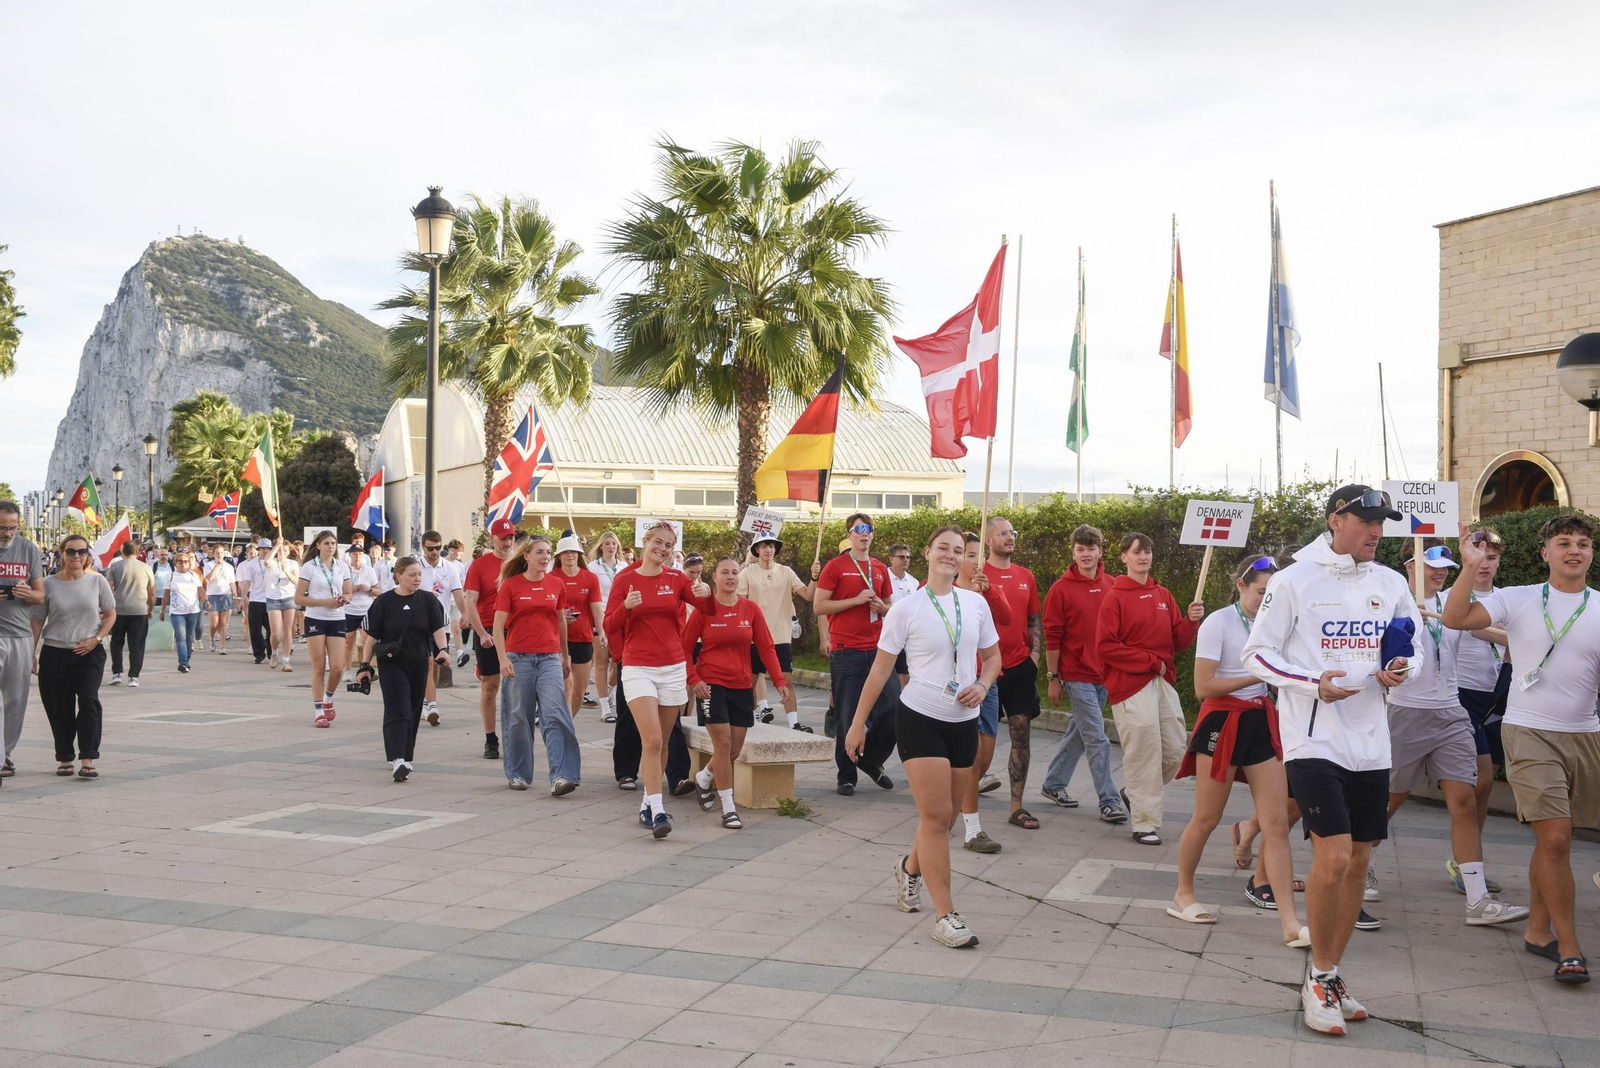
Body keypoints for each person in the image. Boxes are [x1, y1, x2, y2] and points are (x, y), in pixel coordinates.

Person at [1241, 485, 1419, 1035]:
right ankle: (1317, 978)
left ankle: (1330, 974)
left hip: (1372, 741)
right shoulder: (1294, 579)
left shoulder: (1391, 582)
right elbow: (1257, 654)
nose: (1377, 532)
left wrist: (1400, 668)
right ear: (1335, 520)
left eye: (1382, 522)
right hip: (1313, 738)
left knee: (1360, 863)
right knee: (1335, 857)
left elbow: (1412, 647)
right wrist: (1311, 682)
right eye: (1367, 521)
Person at [1443, 516, 1600, 985]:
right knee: (1556, 839)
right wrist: (1468, 567)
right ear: (1545, 553)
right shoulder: (1519, 598)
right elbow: (1455, 618)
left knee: (1554, 841)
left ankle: (1536, 929)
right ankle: (1569, 946)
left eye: (1583, 543)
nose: (1575, 550)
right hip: (1528, 731)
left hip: (1586, 735)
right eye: (1564, 543)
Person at [848, 526, 1000, 948]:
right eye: (943, 548)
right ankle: (946, 915)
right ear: (928, 553)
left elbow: (992, 657)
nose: (951, 555)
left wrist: (983, 685)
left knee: (947, 819)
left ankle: (909, 868)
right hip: (919, 718)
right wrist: (858, 723)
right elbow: (880, 670)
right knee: (934, 819)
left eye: (959, 550)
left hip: (964, 720)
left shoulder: (976, 604)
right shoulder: (906, 608)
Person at [1379, 541, 1528, 926]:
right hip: (1406, 712)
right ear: (1411, 565)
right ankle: (1360, 863)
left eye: (1446, 565)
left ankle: (1477, 899)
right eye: (1432, 565)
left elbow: (1488, 631)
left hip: (1451, 712)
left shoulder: (1452, 603)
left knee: (1464, 800)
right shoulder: (1390, 601)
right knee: (1391, 799)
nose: (1441, 571)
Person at [1166, 553, 1309, 947]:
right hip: (1222, 721)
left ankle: (1290, 922)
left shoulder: (1278, 623)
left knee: (1276, 822)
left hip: (1261, 720)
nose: (1267, 600)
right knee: (1207, 818)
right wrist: (1257, 673)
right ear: (1241, 585)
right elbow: (1203, 687)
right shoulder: (1219, 622)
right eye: (1261, 592)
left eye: (1272, 594)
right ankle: (1183, 893)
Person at [603, 522, 712, 838]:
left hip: (673, 668)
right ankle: (659, 810)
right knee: (651, 740)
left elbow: (708, 610)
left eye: (669, 545)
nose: (662, 549)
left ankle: (647, 803)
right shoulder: (625, 579)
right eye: (658, 542)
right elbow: (609, 625)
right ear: (645, 541)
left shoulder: (676, 578)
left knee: (662, 741)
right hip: (638, 668)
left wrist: (707, 595)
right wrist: (626, 607)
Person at [1096, 532, 1205, 845]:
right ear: (1123, 557)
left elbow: (1178, 642)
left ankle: (1134, 794)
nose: (1143, 557)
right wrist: (1149, 661)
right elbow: (1105, 646)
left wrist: (1190, 621)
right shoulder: (1114, 597)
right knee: (1144, 753)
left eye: (1147, 551)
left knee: (1175, 751)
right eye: (1136, 552)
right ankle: (1144, 824)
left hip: (1161, 681)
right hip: (1129, 686)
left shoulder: (1162, 594)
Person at [685, 556, 790, 828]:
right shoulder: (704, 610)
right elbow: (684, 648)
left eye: (734, 572)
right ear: (715, 578)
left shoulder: (750, 609)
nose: (730, 577)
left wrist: (779, 680)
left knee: (733, 750)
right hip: (710, 685)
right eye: (724, 573)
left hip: (742, 685)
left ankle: (704, 777)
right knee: (722, 745)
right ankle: (728, 808)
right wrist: (694, 679)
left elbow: (766, 647)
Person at [1040, 524, 1127, 823]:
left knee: (1079, 733)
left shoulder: (1113, 585)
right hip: (1075, 675)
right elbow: (1052, 636)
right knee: (1097, 737)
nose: (1085, 554)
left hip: (1105, 674)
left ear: (1100, 552)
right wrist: (1053, 678)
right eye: (1080, 549)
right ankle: (1109, 800)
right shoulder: (1060, 589)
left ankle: (1053, 784)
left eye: (1091, 549)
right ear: (1073, 552)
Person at [815, 512, 900, 796]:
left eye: (869, 529)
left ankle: (871, 759)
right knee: (847, 714)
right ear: (849, 534)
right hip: (846, 650)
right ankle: (846, 775)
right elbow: (819, 606)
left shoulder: (880, 568)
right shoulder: (835, 566)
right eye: (859, 529)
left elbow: (890, 607)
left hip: (878, 650)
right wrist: (855, 600)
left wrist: (882, 608)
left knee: (893, 706)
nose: (864, 533)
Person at [494, 535, 578, 795]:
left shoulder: (557, 584)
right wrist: (503, 658)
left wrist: (565, 656)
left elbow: (561, 621)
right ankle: (518, 773)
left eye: (548, 552)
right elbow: (498, 626)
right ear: (526, 556)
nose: (545, 557)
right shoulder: (510, 586)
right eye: (539, 552)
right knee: (519, 717)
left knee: (554, 714)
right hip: (518, 659)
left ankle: (561, 776)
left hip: (549, 658)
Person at [355, 556, 449, 781]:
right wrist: (365, 666)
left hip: (419, 662)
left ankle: (406, 757)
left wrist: (443, 650)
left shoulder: (428, 600)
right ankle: (396, 758)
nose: (417, 578)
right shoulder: (384, 601)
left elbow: (438, 628)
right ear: (398, 576)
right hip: (391, 663)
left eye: (419, 574)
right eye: (412, 575)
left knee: (414, 710)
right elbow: (372, 637)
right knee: (398, 708)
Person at [36, 534, 116, 780]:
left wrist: (97, 639)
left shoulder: (97, 581)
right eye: (71, 551)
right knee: (59, 706)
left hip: (89, 652)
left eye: (82, 551)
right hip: (55, 652)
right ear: (62, 553)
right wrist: (31, 652)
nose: (77, 556)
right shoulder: (48, 584)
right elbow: (38, 620)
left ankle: (88, 758)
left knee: (89, 700)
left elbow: (111, 614)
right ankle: (65, 757)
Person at [982, 518, 1045, 828]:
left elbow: (1034, 618)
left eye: (1012, 533)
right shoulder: (977, 574)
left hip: (1020, 667)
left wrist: (1035, 656)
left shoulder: (1025, 576)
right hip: (985, 670)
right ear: (988, 540)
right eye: (1003, 533)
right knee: (979, 742)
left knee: (1021, 737)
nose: (1010, 537)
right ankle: (963, 799)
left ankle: (1016, 807)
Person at [1452, 526, 1511, 849]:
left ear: (1499, 560)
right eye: (1479, 557)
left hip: (1498, 697)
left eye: (1492, 557)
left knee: (1485, 787)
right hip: (1463, 695)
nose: (1485, 564)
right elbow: (1475, 629)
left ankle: (1468, 856)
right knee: (1482, 778)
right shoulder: (1455, 597)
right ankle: (1468, 857)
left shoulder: (1507, 598)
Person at [955, 531, 1011, 853]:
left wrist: (989, 593)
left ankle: (953, 802)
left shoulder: (983, 595)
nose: (975, 562)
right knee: (972, 757)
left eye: (979, 556)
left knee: (984, 758)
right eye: (968, 555)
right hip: (954, 685)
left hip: (986, 682)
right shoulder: (938, 592)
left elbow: (1008, 619)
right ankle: (972, 829)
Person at [735, 534, 819, 732]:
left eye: (772, 546)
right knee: (750, 682)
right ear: (757, 550)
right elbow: (738, 603)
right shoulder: (747, 573)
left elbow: (808, 595)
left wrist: (814, 577)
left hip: (781, 636)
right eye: (764, 546)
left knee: (786, 680)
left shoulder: (786, 571)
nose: (768, 550)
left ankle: (794, 724)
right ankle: (749, 722)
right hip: (754, 638)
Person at [464, 519, 518, 760]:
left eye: (511, 537)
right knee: (490, 687)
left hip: (516, 630)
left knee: (517, 688)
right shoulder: (479, 565)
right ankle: (490, 738)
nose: (508, 542)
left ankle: (514, 737)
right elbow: (470, 602)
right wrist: (481, 633)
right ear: (492, 538)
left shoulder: (521, 563)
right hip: (488, 629)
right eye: (503, 538)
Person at [0, 501, 43, 777]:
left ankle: (6, 754)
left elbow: (41, 595)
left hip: (19, 634)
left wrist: (28, 593)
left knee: (15, 700)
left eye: (13, 527)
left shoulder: (28, 548)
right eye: (3, 528)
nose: (8, 533)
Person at [294, 531, 353, 727]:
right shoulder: (309, 567)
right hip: (315, 618)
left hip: (337, 618)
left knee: (337, 667)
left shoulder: (342, 566)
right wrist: (324, 602)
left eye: (333, 543)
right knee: (319, 666)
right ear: (318, 545)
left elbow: (349, 593)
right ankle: (319, 710)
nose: (330, 546)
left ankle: (328, 697)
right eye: (326, 543)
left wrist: (343, 599)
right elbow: (299, 598)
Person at [555, 533, 604, 730]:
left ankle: (567, 725)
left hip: (583, 638)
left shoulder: (589, 578)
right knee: (566, 688)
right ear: (559, 556)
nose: (570, 555)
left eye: (573, 552)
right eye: (565, 552)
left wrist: (602, 632)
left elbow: (597, 609)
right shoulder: (552, 578)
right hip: (558, 640)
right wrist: (559, 616)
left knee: (579, 691)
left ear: (579, 554)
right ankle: (562, 729)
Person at [418, 532, 466, 726]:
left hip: (441, 623)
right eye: (430, 548)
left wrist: (465, 614)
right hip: (419, 624)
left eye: (438, 547)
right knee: (428, 663)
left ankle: (427, 700)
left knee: (437, 664)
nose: (435, 551)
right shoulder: (416, 566)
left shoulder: (449, 567)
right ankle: (432, 705)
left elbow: (458, 593)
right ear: (423, 547)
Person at [105, 541, 154, 690]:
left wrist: (106, 608)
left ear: (122, 551)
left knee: (116, 642)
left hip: (119, 610)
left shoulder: (115, 566)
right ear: (137, 551)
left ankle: (116, 673)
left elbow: (107, 588)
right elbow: (152, 592)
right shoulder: (146, 567)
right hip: (139, 610)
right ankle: (134, 676)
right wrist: (150, 609)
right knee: (137, 644)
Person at [588, 531, 624, 722]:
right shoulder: (593, 567)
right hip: (600, 618)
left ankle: (610, 693)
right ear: (601, 546)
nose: (611, 546)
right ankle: (605, 709)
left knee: (619, 664)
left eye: (614, 543)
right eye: (607, 543)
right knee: (601, 663)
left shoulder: (624, 567)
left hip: (620, 619)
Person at [158, 548, 205, 674]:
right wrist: (162, 610)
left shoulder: (193, 575)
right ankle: (182, 662)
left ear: (189, 563)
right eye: (180, 561)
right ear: (175, 563)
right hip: (177, 612)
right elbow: (166, 595)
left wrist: (206, 600)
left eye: (185, 561)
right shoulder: (171, 576)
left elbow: (200, 589)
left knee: (189, 637)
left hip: (192, 611)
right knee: (181, 636)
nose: (183, 563)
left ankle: (187, 661)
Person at [884, 543, 920, 690]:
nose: (905, 560)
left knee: (904, 676)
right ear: (891, 559)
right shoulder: (883, 577)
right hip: (886, 635)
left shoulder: (914, 583)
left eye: (907, 557)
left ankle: (901, 702)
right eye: (901, 557)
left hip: (906, 638)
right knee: (885, 675)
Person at [342, 542, 380, 679]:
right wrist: (354, 588)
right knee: (349, 642)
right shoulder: (345, 570)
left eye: (359, 554)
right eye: (354, 554)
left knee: (367, 641)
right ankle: (347, 671)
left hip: (366, 610)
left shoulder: (369, 570)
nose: (357, 556)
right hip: (349, 609)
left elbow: (378, 591)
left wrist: (369, 589)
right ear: (350, 555)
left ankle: (365, 669)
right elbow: (340, 590)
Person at [262, 538, 300, 671]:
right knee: (276, 633)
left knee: (288, 631)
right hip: (273, 598)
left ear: (288, 552)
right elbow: (266, 561)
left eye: (284, 551)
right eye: (280, 551)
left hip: (288, 598)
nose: (282, 553)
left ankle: (286, 660)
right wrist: (277, 546)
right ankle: (274, 652)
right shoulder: (272, 562)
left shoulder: (293, 564)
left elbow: (296, 581)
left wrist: (287, 571)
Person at [237, 538, 273, 664]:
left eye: (268, 548)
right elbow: (247, 582)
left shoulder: (274, 562)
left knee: (272, 628)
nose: (265, 551)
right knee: (255, 629)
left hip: (271, 599)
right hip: (256, 599)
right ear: (259, 550)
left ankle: (271, 649)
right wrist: (242, 599)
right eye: (263, 548)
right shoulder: (252, 564)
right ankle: (259, 653)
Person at [202, 543, 237, 655]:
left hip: (225, 594)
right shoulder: (208, 565)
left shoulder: (229, 567)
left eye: (221, 552)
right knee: (214, 622)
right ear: (213, 554)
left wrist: (234, 591)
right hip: (212, 595)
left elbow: (232, 581)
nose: (219, 555)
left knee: (223, 622)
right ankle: (212, 638)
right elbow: (208, 579)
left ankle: (222, 646)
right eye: (217, 553)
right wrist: (217, 566)